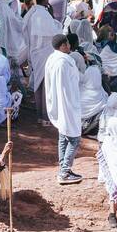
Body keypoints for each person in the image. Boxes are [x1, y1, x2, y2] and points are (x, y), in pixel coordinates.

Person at [44, 34, 84, 184]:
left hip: (61, 104)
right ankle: (65, 171)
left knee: (63, 137)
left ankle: (63, 168)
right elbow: (65, 87)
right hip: (67, 104)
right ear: (62, 46)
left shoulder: (53, 59)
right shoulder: (62, 63)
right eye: (67, 43)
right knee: (74, 138)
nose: (69, 46)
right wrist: (70, 106)